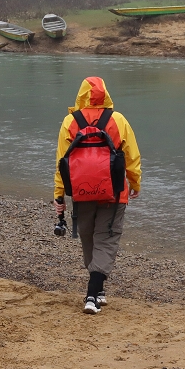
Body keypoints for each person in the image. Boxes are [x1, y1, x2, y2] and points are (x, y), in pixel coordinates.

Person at [54, 76, 141, 314]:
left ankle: (98, 289)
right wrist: (135, 183)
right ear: (106, 95)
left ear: (81, 95)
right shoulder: (119, 120)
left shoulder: (70, 122)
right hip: (113, 192)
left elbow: (62, 162)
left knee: (88, 237)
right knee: (107, 238)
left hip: (81, 192)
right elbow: (132, 156)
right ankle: (92, 295)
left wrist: (59, 196)